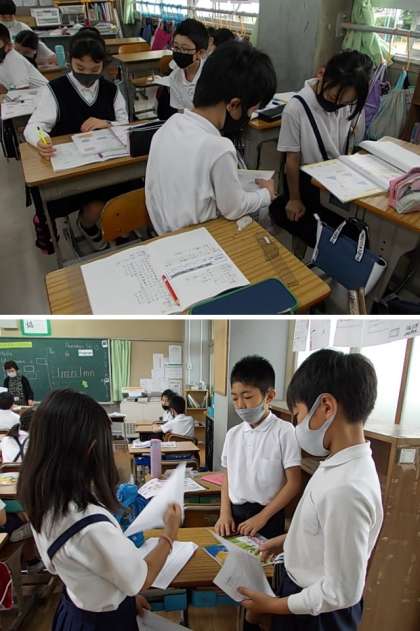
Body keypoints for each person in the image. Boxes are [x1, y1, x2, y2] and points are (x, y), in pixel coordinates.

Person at [238, 350, 384, 631]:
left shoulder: (347, 488)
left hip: (319, 614)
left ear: (326, 407)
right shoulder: (338, 463)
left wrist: (272, 606)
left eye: (298, 416)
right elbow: (324, 530)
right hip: (304, 598)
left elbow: (342, 591)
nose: (297, 427)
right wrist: (287, 541)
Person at [18, 389, 182, 629]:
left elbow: (83, 568)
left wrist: (122, 599)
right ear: (90, 450)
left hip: (76, 609)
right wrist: (170, 532)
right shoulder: (89, 524)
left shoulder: (43, 500)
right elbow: (142, 578)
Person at [146, 41, 277, 235]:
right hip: (199, 240)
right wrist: (266, 193)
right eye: (253, 110)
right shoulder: (219, 147)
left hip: (162, 234)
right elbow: (233, 208)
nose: (250, 116)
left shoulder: (170, 125)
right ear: (234, 105)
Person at [24, 32, 139, 252]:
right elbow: (34, 126)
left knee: (130, 190)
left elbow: (125, 124)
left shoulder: (111, 90)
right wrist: (40, 141)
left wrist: (106, 123)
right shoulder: (54, 90)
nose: (87, 74)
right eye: (80, 67)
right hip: (74, 170)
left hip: (109, 163)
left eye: (94, 70)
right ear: (70, 61)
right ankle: (87, 225)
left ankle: (119, 223)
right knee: (95, 205)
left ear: (103, 65)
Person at [270, 50, 373, 251]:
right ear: (322, 74)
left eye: (345, 103)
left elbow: (353, 145)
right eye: (333, 97)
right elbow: (292, 159)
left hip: (339, 182)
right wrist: (294, 199)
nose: (337, 105)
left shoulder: (351, 105)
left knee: (366, 230)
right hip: (308, 185)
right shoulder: (296, 108)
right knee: (350, 239)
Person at [215, 355, 301, 539]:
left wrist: (262, 517)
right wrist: (224, 513)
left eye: (247, 397)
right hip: (235, 515)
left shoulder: (285, 431)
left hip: (268, 516)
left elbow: (293, 483)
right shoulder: (233, 434)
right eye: (235, 398)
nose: (240, 405)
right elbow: (227, 477)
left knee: (264, 557)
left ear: (269, 396)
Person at [168, 18, 208, 112]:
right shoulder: (174, 77)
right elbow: (180, 112)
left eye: (185, 49)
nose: (179, 53)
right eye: (176, 47)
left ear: (200, 53)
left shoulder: (211, 75)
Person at [0, 24, 47, 90]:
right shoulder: (2, 59)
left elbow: (23, 90)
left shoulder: (13, 59)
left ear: (9, 45)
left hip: (44, 94)